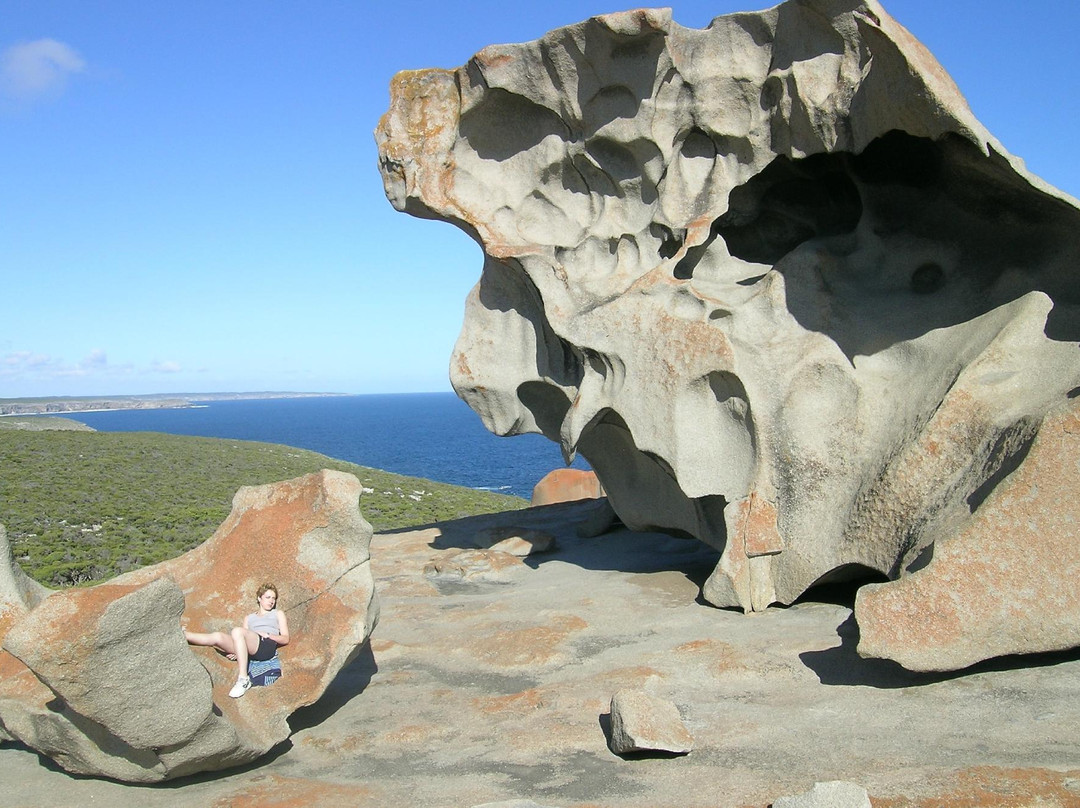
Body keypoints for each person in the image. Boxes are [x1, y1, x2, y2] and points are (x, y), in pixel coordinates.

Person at [185, 582, 290, 698]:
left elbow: (285, 638)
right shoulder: (249, 618)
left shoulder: (277, 613)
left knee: (237, 631)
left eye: (274, 598)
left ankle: (243, 679)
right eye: (268, 597)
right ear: (259, 598)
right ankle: (185, 635)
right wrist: (239, 652)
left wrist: (268, 635)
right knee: (218, 637)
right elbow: (243, 638)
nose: (271, 601)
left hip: (266, 646)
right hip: (253, 648)